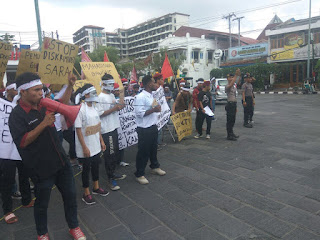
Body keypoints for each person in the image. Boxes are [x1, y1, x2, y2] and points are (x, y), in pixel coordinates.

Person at [9, 72, 86, 240]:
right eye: (36, 90)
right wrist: (43, 124)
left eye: (41, 89)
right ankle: (42, 233)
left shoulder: (44, 104)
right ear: (23, 92)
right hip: (41, 168)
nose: (40, 93)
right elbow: (22, 141)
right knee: (42, 204)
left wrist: (70, 85)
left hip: (61, 161)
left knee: (70, 197)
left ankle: (74, 227)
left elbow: (62, 104)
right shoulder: (16, 115)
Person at [1, 82, 33, 225]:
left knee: (24, 174)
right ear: (8, 91)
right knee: (7, 179)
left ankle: (26, 199)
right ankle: (7, 209)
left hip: (20, 146)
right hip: (5, 148)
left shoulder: (21, 106)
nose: (17, 92)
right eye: (14, 89)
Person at [74, 84, 108, 205]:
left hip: (95, 144)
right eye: (93, 92)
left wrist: (101, 141)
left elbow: (97, 127)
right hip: (86, 146)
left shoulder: (94, 107)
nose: (95, 94)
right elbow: (78, 129)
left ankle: (96, 187)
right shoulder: (80, 109)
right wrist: (84, 147)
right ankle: (86, 192)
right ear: (86, 94)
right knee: (86, 169)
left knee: (95, 166)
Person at [96, 74, 126, 191]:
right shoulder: (100, 97)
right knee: (110, 154)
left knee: (115, 153)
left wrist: (121, 100)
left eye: (112, 84)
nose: (111, 86)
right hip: (106, 130)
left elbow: (119, 106)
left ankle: (113, 173)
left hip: (114, 127)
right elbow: (99, 113)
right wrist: (114, 108)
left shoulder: (112, 95)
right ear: (103, 84)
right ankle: (110, 179)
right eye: (108, 84)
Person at [134, 75, 166, 185]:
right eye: (154, 82)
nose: (156, 84)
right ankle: (139, 173)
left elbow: (155, 107)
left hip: (153, 126)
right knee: (143, 152)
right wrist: (153, 110)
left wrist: (157, 109)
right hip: (144, 129)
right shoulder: (140, 97)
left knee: (153, 149)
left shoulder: (151, 95)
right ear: (149, 84)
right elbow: (139, 113)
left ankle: (154, 166)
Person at [113, 83, 130, 167]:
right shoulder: (112, 99)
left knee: (122, 142)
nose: (118, 92)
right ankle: (115, 160)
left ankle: (121, 160)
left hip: (122, 123)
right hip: (115, 124)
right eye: (117, 91)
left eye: (119, 91)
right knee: (115, 144)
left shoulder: (122, 98)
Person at [225, 70, 241, 141]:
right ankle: (229, 135)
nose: (231, 78)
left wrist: (239, 75)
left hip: (234, 104)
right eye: (230, 77)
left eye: (232, 77)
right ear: (227, 79)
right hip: (230, 104)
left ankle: (232, 133)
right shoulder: (227, 86)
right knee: (229, 120)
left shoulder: (234, 86)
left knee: (233, 120)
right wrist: (236, 75)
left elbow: (237, 83)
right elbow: (231, 84)